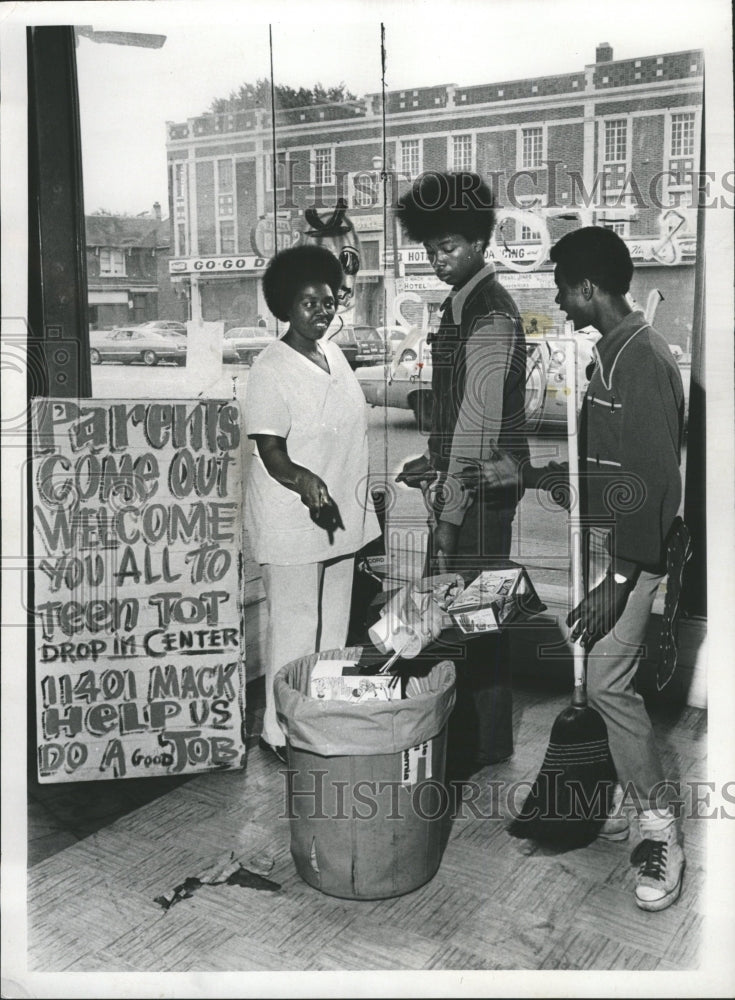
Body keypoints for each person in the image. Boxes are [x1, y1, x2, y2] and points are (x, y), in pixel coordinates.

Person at [536, 226, 686, 911]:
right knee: (607, 676)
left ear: (587, 287)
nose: (559, 302)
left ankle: (658, 827)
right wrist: (532, 474)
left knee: (603, 680)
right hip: (619, 548)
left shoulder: (640, 358)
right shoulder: (611, 353)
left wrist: (618, 581)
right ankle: (631, 802)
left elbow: (652, 481)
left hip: (638, 553)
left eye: (563, 289)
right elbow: (601, 466)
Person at [395, 171, 530, 771]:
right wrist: (434, 457)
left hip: (477, 498)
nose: (438, 259)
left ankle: (475, 745)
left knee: (473, 617)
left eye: (448, 247)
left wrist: (447, 520)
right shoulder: (461, 306)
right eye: (430, 249)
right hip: (466, 485)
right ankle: (484, 740)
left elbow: (479, 426)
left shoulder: (490, 313)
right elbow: (460, 414)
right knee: (474, 613)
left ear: (479, 243)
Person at [244, 244, 381, 763]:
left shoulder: (335, 356)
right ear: (284, 306)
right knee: (296, 631)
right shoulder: (270, 367)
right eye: (308, 304)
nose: (321, 312)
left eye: (327, 302)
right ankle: (279, 733)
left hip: (342, 517)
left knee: (332, 630)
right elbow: (271, 450)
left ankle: (319, 719)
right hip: (295, 520)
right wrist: (303, 480)